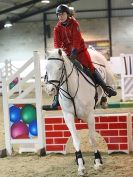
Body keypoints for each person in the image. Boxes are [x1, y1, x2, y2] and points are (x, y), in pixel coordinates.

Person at [49, 4, 117, 109]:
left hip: (80, 51)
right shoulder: (57, 28)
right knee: (60, 71)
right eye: (58, 15)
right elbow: (57, 43)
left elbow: (76, 39)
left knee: (91, 67)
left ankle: (106, 89)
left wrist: (74, 51)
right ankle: (56, 97)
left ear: (67, 14)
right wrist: (59, 53)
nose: (60, 16)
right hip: (66, 53)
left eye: (62, 14)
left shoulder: (74, 24)